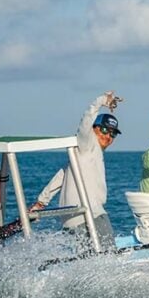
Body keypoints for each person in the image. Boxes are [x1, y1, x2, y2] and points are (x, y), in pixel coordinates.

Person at [30, 91, 122, 249]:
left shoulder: (82, 155)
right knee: (109, 254)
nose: (108, 136)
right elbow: (86, 121)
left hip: (74, 218)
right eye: (105, 130)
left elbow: (62, 176)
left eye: (113, 133)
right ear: (94, 129)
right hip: (89, 215)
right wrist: (101, 101)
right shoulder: (86, 143)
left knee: (86, 260)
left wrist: (41, 202)